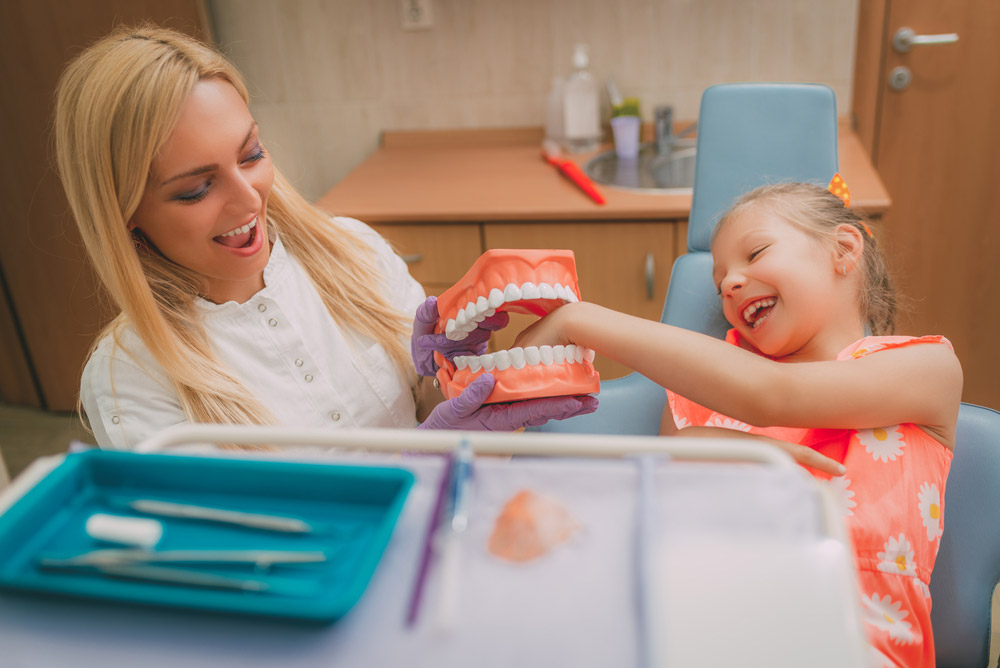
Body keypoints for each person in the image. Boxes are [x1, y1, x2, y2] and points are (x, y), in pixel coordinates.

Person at [53, 24, 595, 450]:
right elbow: (240, 553)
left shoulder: (351, 250)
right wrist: (421, 462)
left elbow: (423, 406)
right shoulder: (130, 379)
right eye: (196, 189)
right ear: (125, 213)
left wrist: (453, 384)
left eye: (251, 155)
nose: (248, 200)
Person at [512, 182, 962, 667]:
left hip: (854, 641)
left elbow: (771, 395)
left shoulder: (926, 368)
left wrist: (580, 321)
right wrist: (719, 444)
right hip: (705, 627)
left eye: (756, 252)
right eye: (720, 280)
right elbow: (660, 510)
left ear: (844, 249)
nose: (730, 283)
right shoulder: (698, 393)